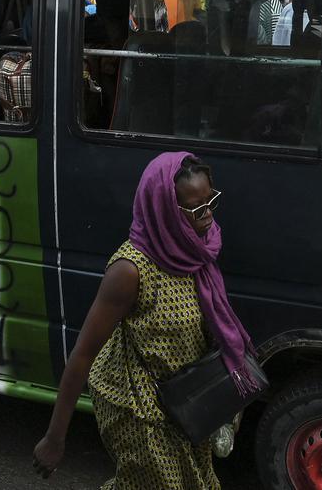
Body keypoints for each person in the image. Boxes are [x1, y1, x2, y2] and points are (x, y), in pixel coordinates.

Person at [33, 152, 260, 488]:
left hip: (188, 405)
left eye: (210, 200)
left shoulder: (196, 250)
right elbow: (82, 355)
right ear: (164, 210)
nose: (208, 215)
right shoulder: (130, 270)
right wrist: (54, 438)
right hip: (140, 406)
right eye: (196, 209)